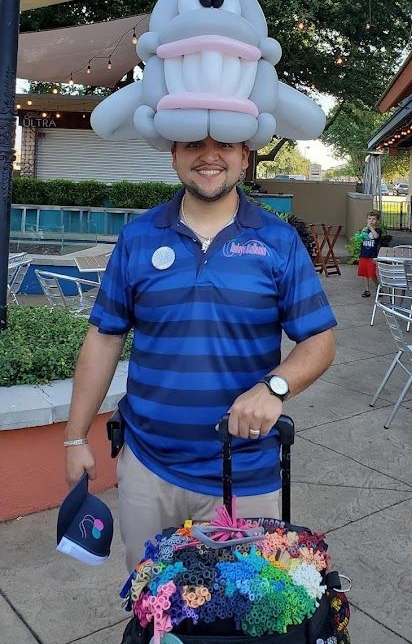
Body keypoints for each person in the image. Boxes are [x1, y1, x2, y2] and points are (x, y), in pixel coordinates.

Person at [64, 137, 337, 570]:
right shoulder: (138, 237)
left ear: (244, 157)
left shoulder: (278, 240)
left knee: (240, 621)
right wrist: (75, 437)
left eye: (225, 145)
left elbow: (320, 339)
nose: (209, 156)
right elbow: (104, 337)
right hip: (149, 466)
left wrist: (275, 387)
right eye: (193, 144)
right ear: (173, 155)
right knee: (154, 609)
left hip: (245, 471)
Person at [357, 210, 382, 298]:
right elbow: (359, 240)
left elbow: (376, 236)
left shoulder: (378, 230)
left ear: (377, 221)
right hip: (364, 254)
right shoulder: (365, 230)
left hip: (372, 256)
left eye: (373, 219)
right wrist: (361, 233)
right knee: (364, 273)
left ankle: (379, 286)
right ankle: (367, 290)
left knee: (373, 274)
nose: (371, 221)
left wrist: (370, 228)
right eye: (369, 219)